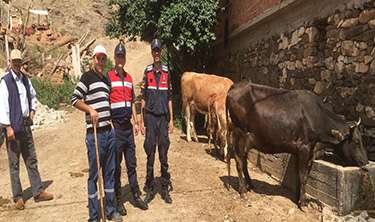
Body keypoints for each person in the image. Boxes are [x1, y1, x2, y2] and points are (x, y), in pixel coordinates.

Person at [71, 45, 122, 222]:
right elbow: (75, 99)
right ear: (93, 59)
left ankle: (110, 210)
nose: (100, 62)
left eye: (103, 59)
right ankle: (93, 216)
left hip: (109, 132)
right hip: (95, 134)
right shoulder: (87, 77)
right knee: (94, 175)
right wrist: (90, 110)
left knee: (109, 173)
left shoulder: (107, 80)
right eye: (98, 58)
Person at [0, 49, 54, 210]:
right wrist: (7, 127)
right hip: (12, 128)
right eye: (14, 61)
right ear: (10, 62)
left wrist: (32, 112)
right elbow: (2, 106)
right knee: (14, 163)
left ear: (21, 63)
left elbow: (33, 96)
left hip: (25, 125)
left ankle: (38, 191)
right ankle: (18, 197)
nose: (17, 64)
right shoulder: (5, 82)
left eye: (19, 61)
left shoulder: (25, 79)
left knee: (31, 159)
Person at [108, 41, 148, 215]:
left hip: (127, 128)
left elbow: (132, 101)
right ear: (114, 57)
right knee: (116, 166)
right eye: (118, 56)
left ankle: (136, 195)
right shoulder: (108, 77)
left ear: (125, 58)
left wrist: (137, 121)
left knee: (132, 164)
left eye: (122, 56)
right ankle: (118, 200)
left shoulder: (130, 78)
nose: (120, 59)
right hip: (115, 128)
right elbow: (105, 102)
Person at [140, 38, 174, 204]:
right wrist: (141, 120)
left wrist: (172, 119)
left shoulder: (167, 72)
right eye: (154, 51)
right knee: (150, 151)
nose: (156, 53)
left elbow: (169, 98)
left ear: (161, 52)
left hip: (163, 118)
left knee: (163, 152)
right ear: (151, 53)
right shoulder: (147, 71)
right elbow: (143, 98)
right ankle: (150, 187)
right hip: (150, 118)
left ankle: (165, 187)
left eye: (158, 50)